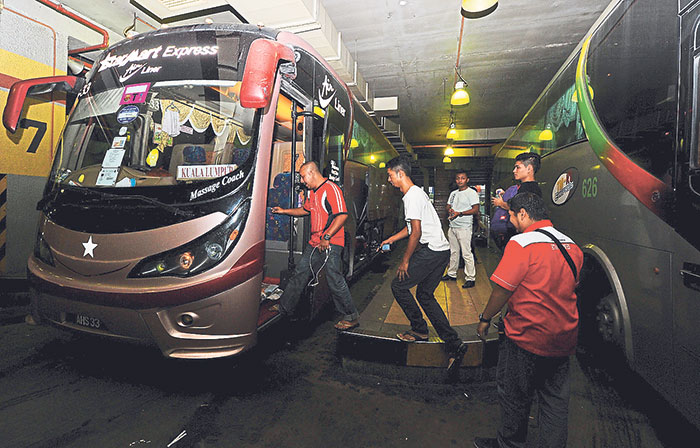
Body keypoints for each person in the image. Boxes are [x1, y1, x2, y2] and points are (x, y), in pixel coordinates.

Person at [474, 193, 583, 448]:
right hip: (564, 338)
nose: (510, 220)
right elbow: (572, 286)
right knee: (554, 402)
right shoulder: (573, 246)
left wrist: (485, 318)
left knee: (515, 396)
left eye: (511, 215)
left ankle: (509, 443)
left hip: (526, 337)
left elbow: (503, 289)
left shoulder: (521, 243)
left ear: (523, 213)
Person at [379, 155, 466, 374]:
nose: (389, 180)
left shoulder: (411, 196)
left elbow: (416, 233)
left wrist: (405, 261)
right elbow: (411, 228)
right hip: (442, 251)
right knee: (425, 296)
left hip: (432, 252)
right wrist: (391, 239)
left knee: (398, 286)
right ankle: (453, 342)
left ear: (400, 174)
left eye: (390, 175)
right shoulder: (417, 193)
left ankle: (419, 329)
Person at [271, 161, 360, 331]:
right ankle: (285, 307)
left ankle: (351, 316)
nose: (303, 181)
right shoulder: (312, 192)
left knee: (334, 277)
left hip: (331, 242)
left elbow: (342, 216)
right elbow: (306, 210)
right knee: (300, 273)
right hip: (315, 242)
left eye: (304, 176)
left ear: (312, 173)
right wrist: (284, 211)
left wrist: (326, 237)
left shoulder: (331, 188)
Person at [491, 152, 542, 252]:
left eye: (518, 167)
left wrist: (501, 203)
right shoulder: (531, 188)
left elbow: (517, 208)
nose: (514, 171)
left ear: (529, 169)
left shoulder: (527, 189)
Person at [442, 170, 480, 288]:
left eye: (462, 178)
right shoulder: (453, 193)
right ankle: (451, 274)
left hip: (464, 227)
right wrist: (450, 210)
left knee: (466, 253)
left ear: (467, 180)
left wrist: (460, 213)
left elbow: (475, 209)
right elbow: (448, 205)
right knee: (453, 252)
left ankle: (470, 278)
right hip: (452, 226)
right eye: (458, 178)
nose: (460, 180)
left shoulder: (471, 193)